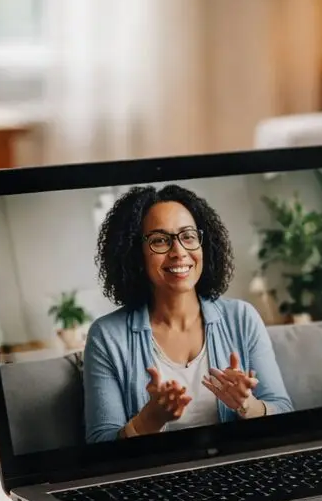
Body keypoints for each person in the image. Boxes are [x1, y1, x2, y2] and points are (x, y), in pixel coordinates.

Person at [83, 184, 292, 443]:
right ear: (135, 254)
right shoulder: (107, 336)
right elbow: (98, 443)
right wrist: (149, 420)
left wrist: (247, 404)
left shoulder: (242, 318)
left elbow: (284, 411)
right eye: (160, 240)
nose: (179, 251)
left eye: (188, 236)